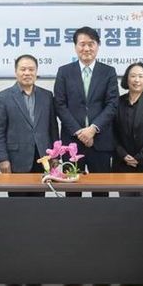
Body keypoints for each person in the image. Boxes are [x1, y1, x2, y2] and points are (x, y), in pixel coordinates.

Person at [54, 26, 118, 196]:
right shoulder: (64, 72)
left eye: (91, 44)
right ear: (75, 46)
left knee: (101, 193)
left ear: (98, 46)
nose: (87, 48)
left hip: (100, 142)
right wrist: (79, 132)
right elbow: (60, 105)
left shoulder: (108, 72)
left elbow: (112, 104)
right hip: (72, 143)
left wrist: (93, 129)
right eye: (82, 44)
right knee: (72, 193)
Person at [0, 54, 59, 196]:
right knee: (18, 202)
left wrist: (55, 155)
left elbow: (53, 128)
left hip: (42, 157)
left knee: (39, 201)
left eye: (31, 69)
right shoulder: (3, 97)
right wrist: (3, 159)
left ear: (36, 71)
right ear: (16, 72)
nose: (27, 73)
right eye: (23, 69)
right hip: (16, 159)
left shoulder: (47, 96)